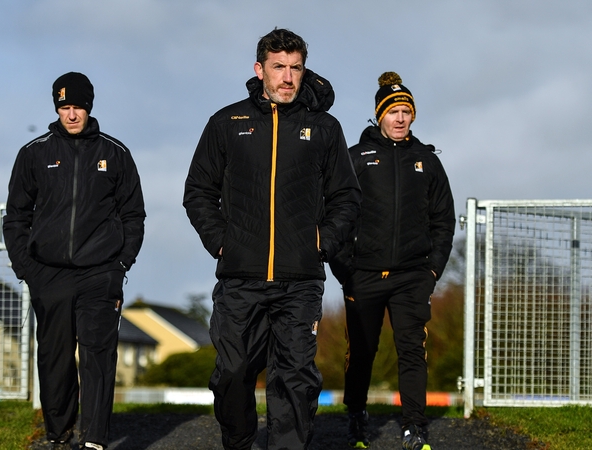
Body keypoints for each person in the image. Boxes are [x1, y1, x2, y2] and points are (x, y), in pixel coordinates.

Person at [183, 28, 361, 450]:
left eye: (295, 68)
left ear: (304, 70)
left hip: (300, 279)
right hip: (239, 277)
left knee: (295, 379)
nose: (287, 77)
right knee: (231, 372)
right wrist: (221, 241)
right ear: (259, 69)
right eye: (278, 67)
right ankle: (240, 440)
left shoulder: (324, 128)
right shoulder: (226, 123)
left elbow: (348, 197)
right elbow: (198, 192)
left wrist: (322, 242)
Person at [3, 72, 145, 450]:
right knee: (55, 359)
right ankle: (58, 432)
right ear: (56, 109)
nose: (71, 114)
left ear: (89, 107)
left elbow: (134, 214)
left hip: (101, 273)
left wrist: (121, 264)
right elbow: (16, 216)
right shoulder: (34, 153)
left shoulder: (115, 153)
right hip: (48, 274)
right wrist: (27, 267)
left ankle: (95, 438)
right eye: (64, 107)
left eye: (77, 106)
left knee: (98, 356)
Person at [329, 72, 455, 450]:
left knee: (412, 351)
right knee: (362, 353)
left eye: (406, 112)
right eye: (392, 112)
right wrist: (344, 268)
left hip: (412, 277)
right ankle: (356, 417)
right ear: (378, 115)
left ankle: (415, 426)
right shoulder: (355, 158)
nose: (400, 119)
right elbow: (333, 214)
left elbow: (443, 220)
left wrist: (432, 270)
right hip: (362, 275)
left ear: (413, 116)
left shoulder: (427, 161)